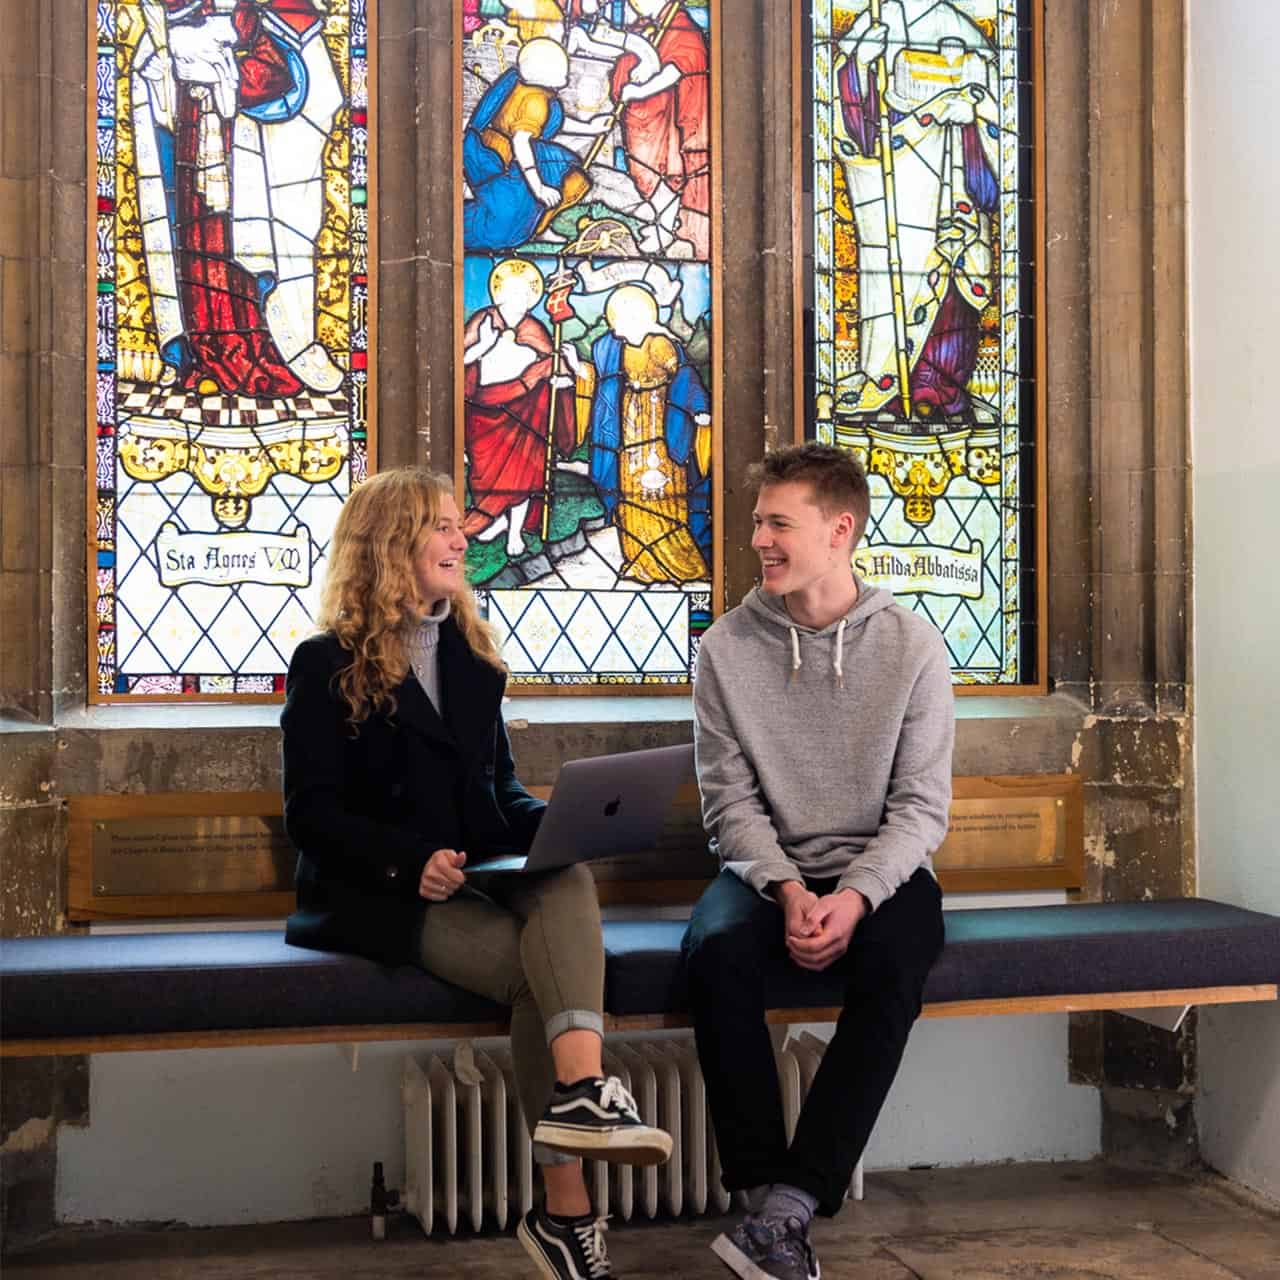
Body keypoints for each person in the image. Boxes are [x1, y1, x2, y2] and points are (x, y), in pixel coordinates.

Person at [281, 468, 672, 1279]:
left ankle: (580, 1095)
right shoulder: (324, 665)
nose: (463, 539)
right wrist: (404, 862)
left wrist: (563, 824)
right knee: (542, 979)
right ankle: (568, 1205)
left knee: (566, 881)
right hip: (379, 894)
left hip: (473, 871)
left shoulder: (469, 658)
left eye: (460, 525)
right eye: (443, 527)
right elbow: (312, 815)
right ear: (391, 544)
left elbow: (496, 792)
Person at [681, 444, 953, 1280]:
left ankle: (796, 1205)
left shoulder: (912, 646)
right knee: (715, 954)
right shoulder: (725, 649)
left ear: (839, 531)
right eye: (758, 521)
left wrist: (857, 898)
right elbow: (729, 805)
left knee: (898, 962)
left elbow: (919, 811)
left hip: (882, 875)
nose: (758, 538)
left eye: (777, 523)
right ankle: (765, 1197)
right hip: (768, 875)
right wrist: (791, 889)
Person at [833, 0, 998, 421]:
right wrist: (861, 68)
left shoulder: (961, 27)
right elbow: (851, 123)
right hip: (900, 183)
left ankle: (943, 390)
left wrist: (976, 111)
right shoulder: (879, 20)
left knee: (951, 280)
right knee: (896, 273)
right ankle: (888, 385)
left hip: (955, 171)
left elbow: (999, 102)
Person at [571, 283, 711, 583]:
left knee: (659, 490)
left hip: (659, 427)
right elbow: (601, 381)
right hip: (627, 430)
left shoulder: (659, 344)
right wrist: (577, 370)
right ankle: (638, 560)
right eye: (615, 315)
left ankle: (677, 563)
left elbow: (685, 375)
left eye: (622, 314)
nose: (615, 321)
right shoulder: (609, 348)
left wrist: (698, 408)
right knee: (629, 494)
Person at [462, 258, 580, 558]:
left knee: (525, 472)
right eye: (512, 293)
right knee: (484, 475)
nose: (519, 300)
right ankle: (496, 519)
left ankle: (515, 532)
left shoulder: (535, 327)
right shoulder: (482, 321)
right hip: (484, 411)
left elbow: (552, 366)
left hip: (526, 413)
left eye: (525, 295)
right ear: (498, 295)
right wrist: (483, 347)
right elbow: (458, 364)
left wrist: (561, 379)